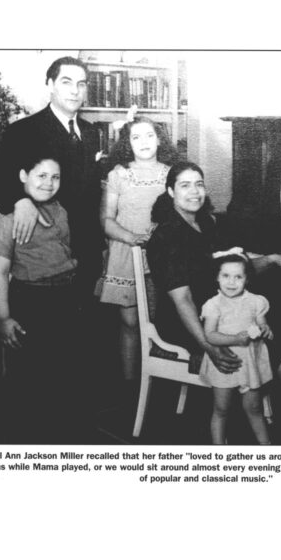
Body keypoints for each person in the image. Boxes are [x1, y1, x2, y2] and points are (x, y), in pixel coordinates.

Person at [146, 161, 281, 441]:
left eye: (199, 184)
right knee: (278, 328)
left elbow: (234, 268)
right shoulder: (166, 235)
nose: (194, 191)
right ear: (170, 191)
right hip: (187, 323)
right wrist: (209, 345)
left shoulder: (206, 223)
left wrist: (272, 259)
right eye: (185, 185)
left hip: (223, 308)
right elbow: (182, 300)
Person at [0, 56, 103, 304]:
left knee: (82, 332)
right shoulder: (24, 131)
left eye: (81, 84)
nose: (75, 90)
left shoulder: (92, 133)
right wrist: (20, 201)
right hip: (44, 261)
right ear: (50, 84)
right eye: (66, 82)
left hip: (86, 252)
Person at [0, 153, 80, 442]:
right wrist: (3, 318)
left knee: (61, 371)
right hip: (30, 300)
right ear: (23, 176)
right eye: (41, 175)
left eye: (56, 177)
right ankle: (24, 439)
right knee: (28, 376)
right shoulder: (8, 218)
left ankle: (57, 436)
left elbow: (65, 250)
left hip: (64, 297)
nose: (49, 183)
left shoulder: (60, 210)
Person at [95, 114, 178, 383]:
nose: (144, 142)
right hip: (127, 254)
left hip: (162, 257)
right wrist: (131, 237)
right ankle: (132, 387)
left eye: (150, 135)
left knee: (159, 323)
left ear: (159, 140)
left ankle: (158, 383)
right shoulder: (118, 174)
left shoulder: (171, 174)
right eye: (136, 137)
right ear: (127, 143)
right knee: (131, 324)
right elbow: (106, 220)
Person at [200, 253, 274, 444]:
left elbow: (261, 322)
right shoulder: (213, 305)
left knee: (254, 408)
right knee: (221, 409)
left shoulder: (256, 301)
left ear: (247, 279)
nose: (231, 282)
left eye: (238, 277)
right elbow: (210, 335)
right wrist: (234, 338)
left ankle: (266, 447)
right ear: (217, 277)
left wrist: (265, 328)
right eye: (226, 276)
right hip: (226, 362)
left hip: (250, 362)